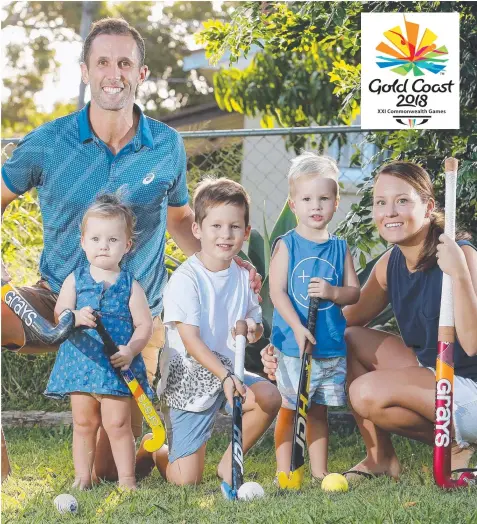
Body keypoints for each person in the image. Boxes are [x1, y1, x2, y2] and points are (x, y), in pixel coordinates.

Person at [1, 17, 260, 483]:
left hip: (135, 315)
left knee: (108, 467)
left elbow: (181, 220)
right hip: (56, 297)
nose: (113, 73)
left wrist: (229, 260)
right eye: (102, 62)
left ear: (141, 74)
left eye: (125, 62)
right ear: (85, 71)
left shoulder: (165, 144)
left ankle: (158, 454)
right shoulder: (48, 142)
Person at [262, 160, 477, 480]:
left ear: (429, 206)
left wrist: (458, 273)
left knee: (365, 392)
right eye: (380, 202)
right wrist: (285, 344)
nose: (389, 211)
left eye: (402, 201)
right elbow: (342, 320)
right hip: (434, 376)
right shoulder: (391, 263)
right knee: (346, 337)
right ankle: (381, 458)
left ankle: (460, 446)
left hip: (470, 388)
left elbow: (473, 345)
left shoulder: (462, 255)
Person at [135, 178, 282, 491]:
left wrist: (252, 330)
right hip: (189, 381)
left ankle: (229, 466)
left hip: (229, 371)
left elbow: (253, 327)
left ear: (246, 232)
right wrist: (226, 378)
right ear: (198, 230)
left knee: (269, 396)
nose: (225, 235)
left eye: (234, 227)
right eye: (216, 226)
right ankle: (156, 448)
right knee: (185, 480)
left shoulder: (244, 275)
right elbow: (191, 341)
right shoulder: (186, 280)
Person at [44, 194, 153, 490]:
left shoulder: (131, 285)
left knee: (117, 425)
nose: (103, 245)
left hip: (115, 366)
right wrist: (75, 316)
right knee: (83, 424)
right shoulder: (75, 279)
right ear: (83, 242)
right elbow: (60, 313)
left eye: (113, 240)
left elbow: (144, 325)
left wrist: (131, 349)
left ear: (127, 246)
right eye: (95, 238)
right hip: (81, 363)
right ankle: (82, 477)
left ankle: (127, 480)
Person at [269, 152, 360, 481]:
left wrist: (334, 293)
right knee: (291, 407)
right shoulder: (287, 245)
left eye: (324, 198)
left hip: (328, 343)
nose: (316, 206)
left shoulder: (340, 247)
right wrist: (295, 328)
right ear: (294, 205)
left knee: (318, 409)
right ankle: (286, 471)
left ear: (336, 203)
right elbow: (276, 291)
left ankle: (320, 472)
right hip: (295, 345)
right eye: (307, 198)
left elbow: (354, 292)